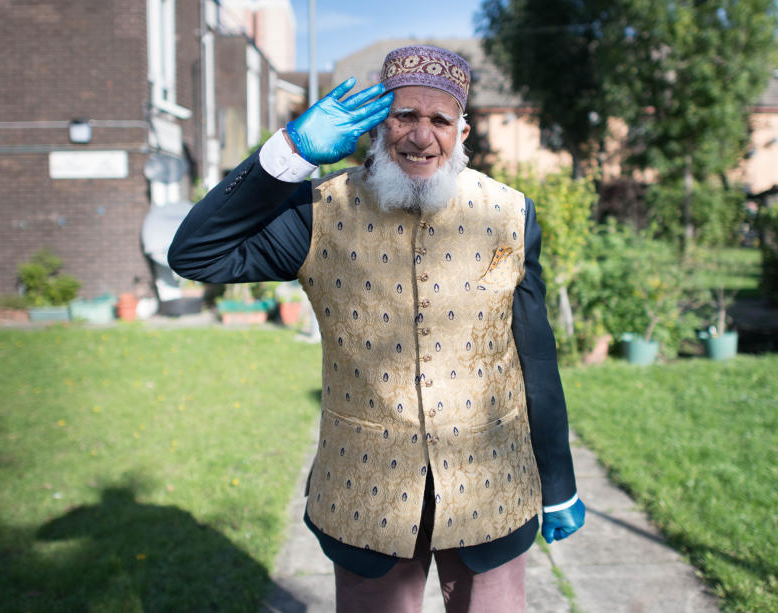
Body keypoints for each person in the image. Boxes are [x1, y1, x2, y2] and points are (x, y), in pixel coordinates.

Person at [168, 44, 585, 612]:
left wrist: (558, 481)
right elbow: (197, 255)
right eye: (403, 116)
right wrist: (287, 155)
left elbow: (534, 354)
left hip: (491, 486)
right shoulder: (318, 210)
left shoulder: (508, 213)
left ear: (462, 132)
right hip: (366, 492)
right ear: (375, 125)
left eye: (439, 119)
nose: (420, 136)